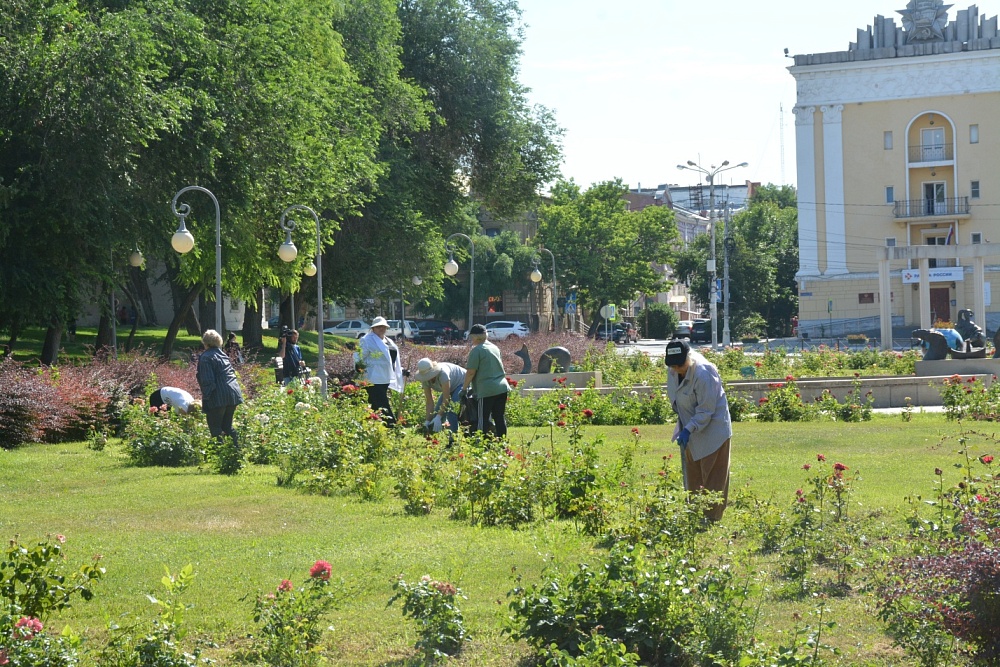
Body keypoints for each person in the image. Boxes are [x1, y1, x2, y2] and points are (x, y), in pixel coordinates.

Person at [665, 338, 732, 522]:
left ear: (688, 358)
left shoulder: (703, 373)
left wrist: (689, 428)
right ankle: (694, 514)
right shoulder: (672, 368)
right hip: (689, 427)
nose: (676, 369)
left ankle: (711, 518)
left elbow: (706, 410)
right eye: (673, 366)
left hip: (713, 429)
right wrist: (684, 427)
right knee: (693, 474)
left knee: (713, 475)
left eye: (680, 365)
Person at [196, 329, 244, 448]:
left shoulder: (206, 357)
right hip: (233, 393)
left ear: (205, 342)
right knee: (227, 426)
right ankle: (236, 451)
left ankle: (219, 454)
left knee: (215, 427)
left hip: (218, 394)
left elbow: (208, 381)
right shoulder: (223, 355)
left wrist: (206, 399)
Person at [462, 323, 510, 438]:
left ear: (474, 337)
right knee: (499, 417)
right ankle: (502, 442)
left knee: (482, 418)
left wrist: (464, 389)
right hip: (502, 387)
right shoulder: (494, 347)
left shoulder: (476, 350)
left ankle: (481, 442)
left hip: (486, 390)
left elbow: (471, 372)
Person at [355, 316, 403, 424]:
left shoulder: (388, 340)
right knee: (382, 403)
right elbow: (359, 357)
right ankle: (391, 425)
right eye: (378, 327)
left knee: (374, 404)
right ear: (373, 328)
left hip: (385, 377)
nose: (381, 329)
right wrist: (359, 368)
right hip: (373, 378)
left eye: (383, 326)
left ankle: (373, 425)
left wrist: (401, 370)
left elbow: (392, 359)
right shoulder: (367, 340)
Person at [412, 357, 466, 436]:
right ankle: (437, 436)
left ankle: (453, 438)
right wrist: (427, 421)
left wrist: (439, 416)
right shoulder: (425, 380)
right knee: (435, 414)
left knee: (452, 411)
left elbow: (446, 398)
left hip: (462, 383)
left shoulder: (443, 374)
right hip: (451, 387)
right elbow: (429, 401)